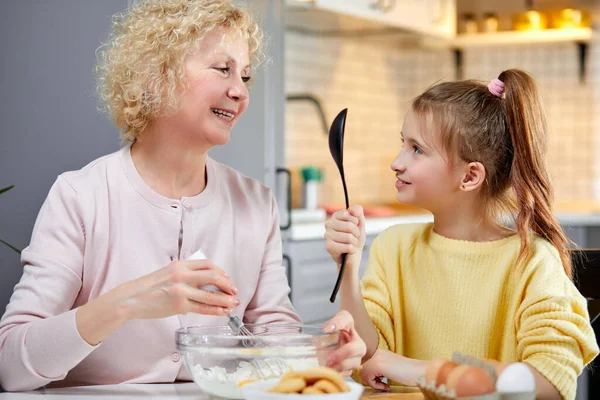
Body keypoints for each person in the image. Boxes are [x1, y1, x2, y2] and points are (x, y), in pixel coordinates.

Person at [0, 0, 365, 392]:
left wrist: (317, 356)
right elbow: (11, 366)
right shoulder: (81, 196)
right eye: (223, 69)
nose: (240, 91)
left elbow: (274, 341)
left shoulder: (257, 203)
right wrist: (125, 303)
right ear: (158, 74)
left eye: (245, 76)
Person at [325, 70, 598, 400]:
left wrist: (427, 371)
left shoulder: (532, 260)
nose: (397, 163)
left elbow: (550, 382)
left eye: (417, 150)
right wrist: (349, 270)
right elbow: (371, 360)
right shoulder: (393, 247)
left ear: (470, 176)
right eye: (403, 144)